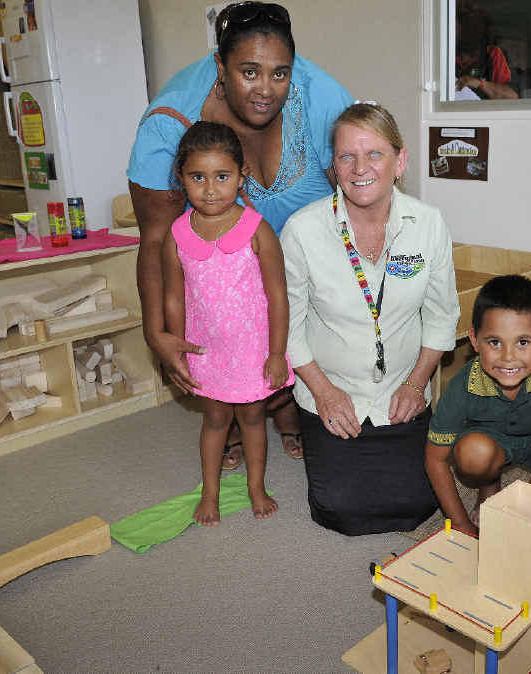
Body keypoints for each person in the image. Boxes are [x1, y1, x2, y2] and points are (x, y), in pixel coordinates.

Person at [127, 2, 352, 466]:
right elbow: (155, 238)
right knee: (222, 342)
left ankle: (289, 402)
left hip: (305, 260)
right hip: (221, 282)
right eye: (248, 72)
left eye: (279, 74)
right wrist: (157, 333)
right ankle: (227, 414)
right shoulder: (168, 124)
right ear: (220, 69)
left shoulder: (322, 98)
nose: (265, 91)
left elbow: (357, 203)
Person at [281, 103, 460, 535]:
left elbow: (441, 316)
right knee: (338, 509)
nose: (360, 168)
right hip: (331, 391)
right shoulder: (302, 231)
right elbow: (287, 329)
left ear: (400, 162)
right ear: (334, 166)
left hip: (404, 390)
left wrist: (417, 384)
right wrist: (323, 392)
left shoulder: (428, 224)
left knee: (420, 502)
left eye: (374, 154)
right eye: (347, 156)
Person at [161, 121, 289, 525]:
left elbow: (278, 296)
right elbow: (173, 297)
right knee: (215, 420)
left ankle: (256, 487)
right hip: (205, 351)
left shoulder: (258, 230)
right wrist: (177, 347)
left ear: (241, 176)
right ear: (181, 178)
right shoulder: (177, 234)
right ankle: (210, 492)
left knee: (252, 419)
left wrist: (277, 352)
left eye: (222, 176)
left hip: (252, 351)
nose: (211, 188)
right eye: (198, 177)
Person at [425, 275, 531, 533]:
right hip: (489, 440)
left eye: (523, 342)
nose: (508, 357)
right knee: (473, 454)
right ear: (474, 340)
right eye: (495, 342)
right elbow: (435, 459)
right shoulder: (463, 383)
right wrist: (460, 524)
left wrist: (514, 519)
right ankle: (489, 485)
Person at [454, 0, 517, 100]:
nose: (453, 33)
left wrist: (480, 84)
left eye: (456, 28)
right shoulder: (447, 53)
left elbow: (512, 96)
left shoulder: (493, 53)